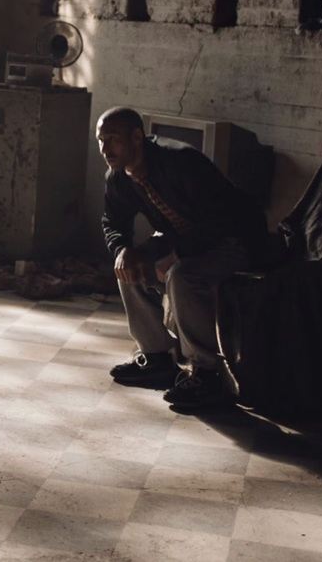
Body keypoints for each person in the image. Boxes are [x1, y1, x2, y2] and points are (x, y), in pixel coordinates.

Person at [97, 107, 270, 414]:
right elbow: (113, 220)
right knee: (129, 264)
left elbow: (219, 222)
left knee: (182, 275)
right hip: (184, 237)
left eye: (113, 139)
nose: (106, 149)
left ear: (137, 137)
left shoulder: (180, 161)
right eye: (101, 140)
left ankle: (208, 375)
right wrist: (123, 248)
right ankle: (157, 359)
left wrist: (176, 256)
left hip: (235, 237)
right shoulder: (118, 176)